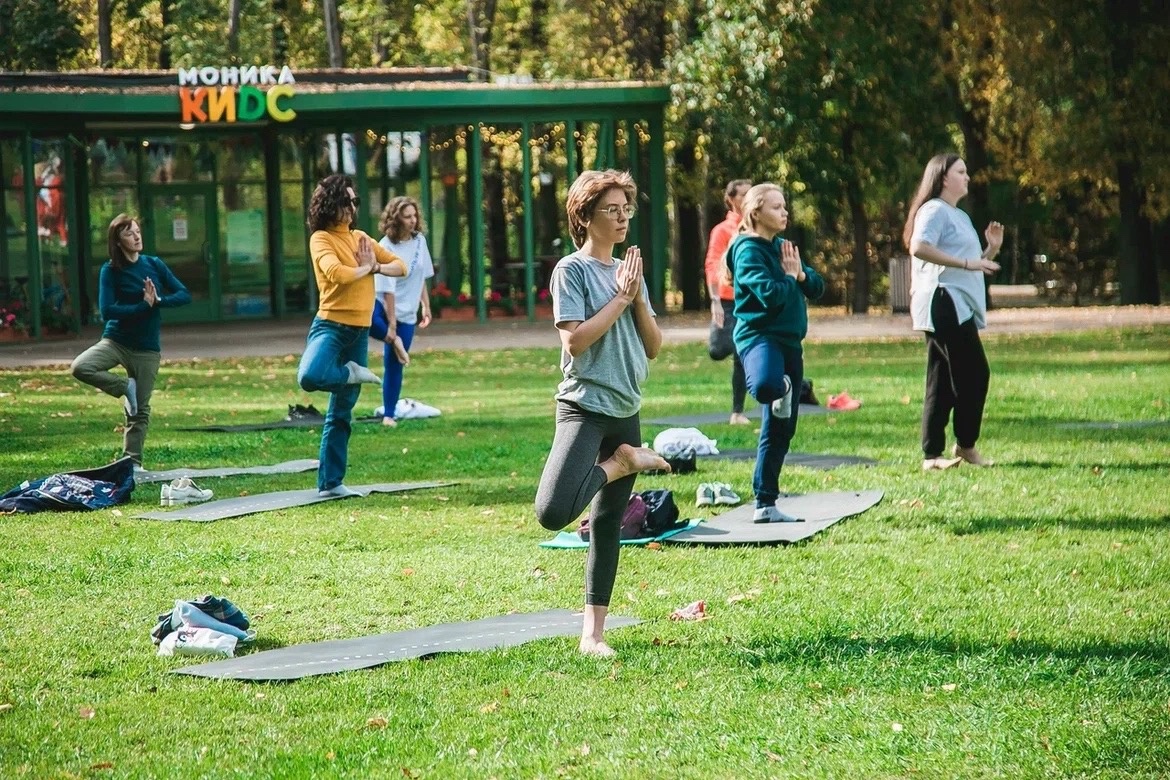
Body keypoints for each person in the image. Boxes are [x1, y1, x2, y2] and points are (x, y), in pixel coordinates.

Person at [534, 169, 670, 657]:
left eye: (625, 208)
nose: (622, 217)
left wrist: (634, 299)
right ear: (585, 216)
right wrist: (620, 297)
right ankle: (624, 463)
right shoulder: (570, 271)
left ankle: (593, 635)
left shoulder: (631, 275)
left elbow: (653, 347)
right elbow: (575, 339)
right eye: (611, 209)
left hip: (626, 408)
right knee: (553, 511)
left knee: (608, 522)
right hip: (583, 407)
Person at [296, 174, 406, 497]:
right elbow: (336, 273)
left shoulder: (361, 238)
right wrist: (366, 269)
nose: (353, 207)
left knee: (341, 412)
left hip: (358, 331)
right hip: (330, 326)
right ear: (331, 204)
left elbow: (401, 266)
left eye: (355, 201)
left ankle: (331, 483)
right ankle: (350, 373)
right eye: (348, 201)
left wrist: (377, 268)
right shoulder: (321, 238)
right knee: (309, 375)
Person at [725, 184, 825, 523]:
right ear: (756, 213)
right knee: (768, 387)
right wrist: (788, 278)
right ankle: (782, 387)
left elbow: (817, 285)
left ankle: (765, 504)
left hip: (790, 345)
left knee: (781, 429)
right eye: (777, 207)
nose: (785, 213)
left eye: (785, 207)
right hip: (759, 337)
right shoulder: (747, 250)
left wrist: (799, 274)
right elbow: (768, 295)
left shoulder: (785, 247)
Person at [903, 154, 1002, 471]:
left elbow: (968, 263)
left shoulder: (957, 215)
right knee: (975, 373)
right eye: (961, 171)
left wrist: (990, 251)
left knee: (941, 379)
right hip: (942, 301)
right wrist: (969, 262)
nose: (968, 177)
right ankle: (966, 444)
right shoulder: (933, 210)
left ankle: (932, 456)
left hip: (956, 302)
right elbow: (918, 247)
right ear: (943, 177)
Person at [70, 214, 191, 467]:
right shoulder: (111, 270)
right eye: (129, 233)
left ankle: (132, 463)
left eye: (137, 231)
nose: (136, 237)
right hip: (116, 341)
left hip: (147, 348)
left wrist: (158, 302)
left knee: (139, 411)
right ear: (118, 241)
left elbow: (184, 295)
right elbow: (106, 311)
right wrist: (141, 306)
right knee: (81, 367)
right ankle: (124, 387)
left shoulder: (154, 264)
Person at [370, 196, 434, 427]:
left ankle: (390, 413)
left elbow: (421, 277)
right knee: (367, 322)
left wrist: (425, 305)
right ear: (396, 219)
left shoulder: (419, 242)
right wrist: (392, 327)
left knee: (394, 364)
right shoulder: (386, 245)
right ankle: (393, 340)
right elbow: (387, 290)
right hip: (382, 306)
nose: (412, 221)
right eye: (407, 217)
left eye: (414, 216)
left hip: (408, 312)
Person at [705, 179, 753, 425]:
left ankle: (737, 412)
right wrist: (714, 300)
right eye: (743, 194)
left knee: (741, 353)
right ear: (731, 199)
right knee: (717, 350)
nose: (747, 198)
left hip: (749, 301)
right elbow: (712, 264)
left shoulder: (757, 230)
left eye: (750, 194)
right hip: (725, 300)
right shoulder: (723, 230)